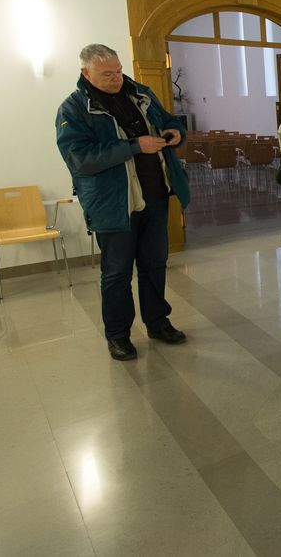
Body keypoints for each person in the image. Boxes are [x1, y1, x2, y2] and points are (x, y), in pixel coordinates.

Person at [55, 44, 190, 361]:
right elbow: (80, 159)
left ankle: (158, 323)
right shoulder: (73, 109)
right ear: (86, 73)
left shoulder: (140, 93)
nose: (116, 78)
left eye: (118, 71)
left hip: (155, 196)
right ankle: (118, 335)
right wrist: (134, 146)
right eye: (107, 74)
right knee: (116, 273)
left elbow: (170, 120)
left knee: (154, 264)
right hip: (113, 203)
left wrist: (175, 131)